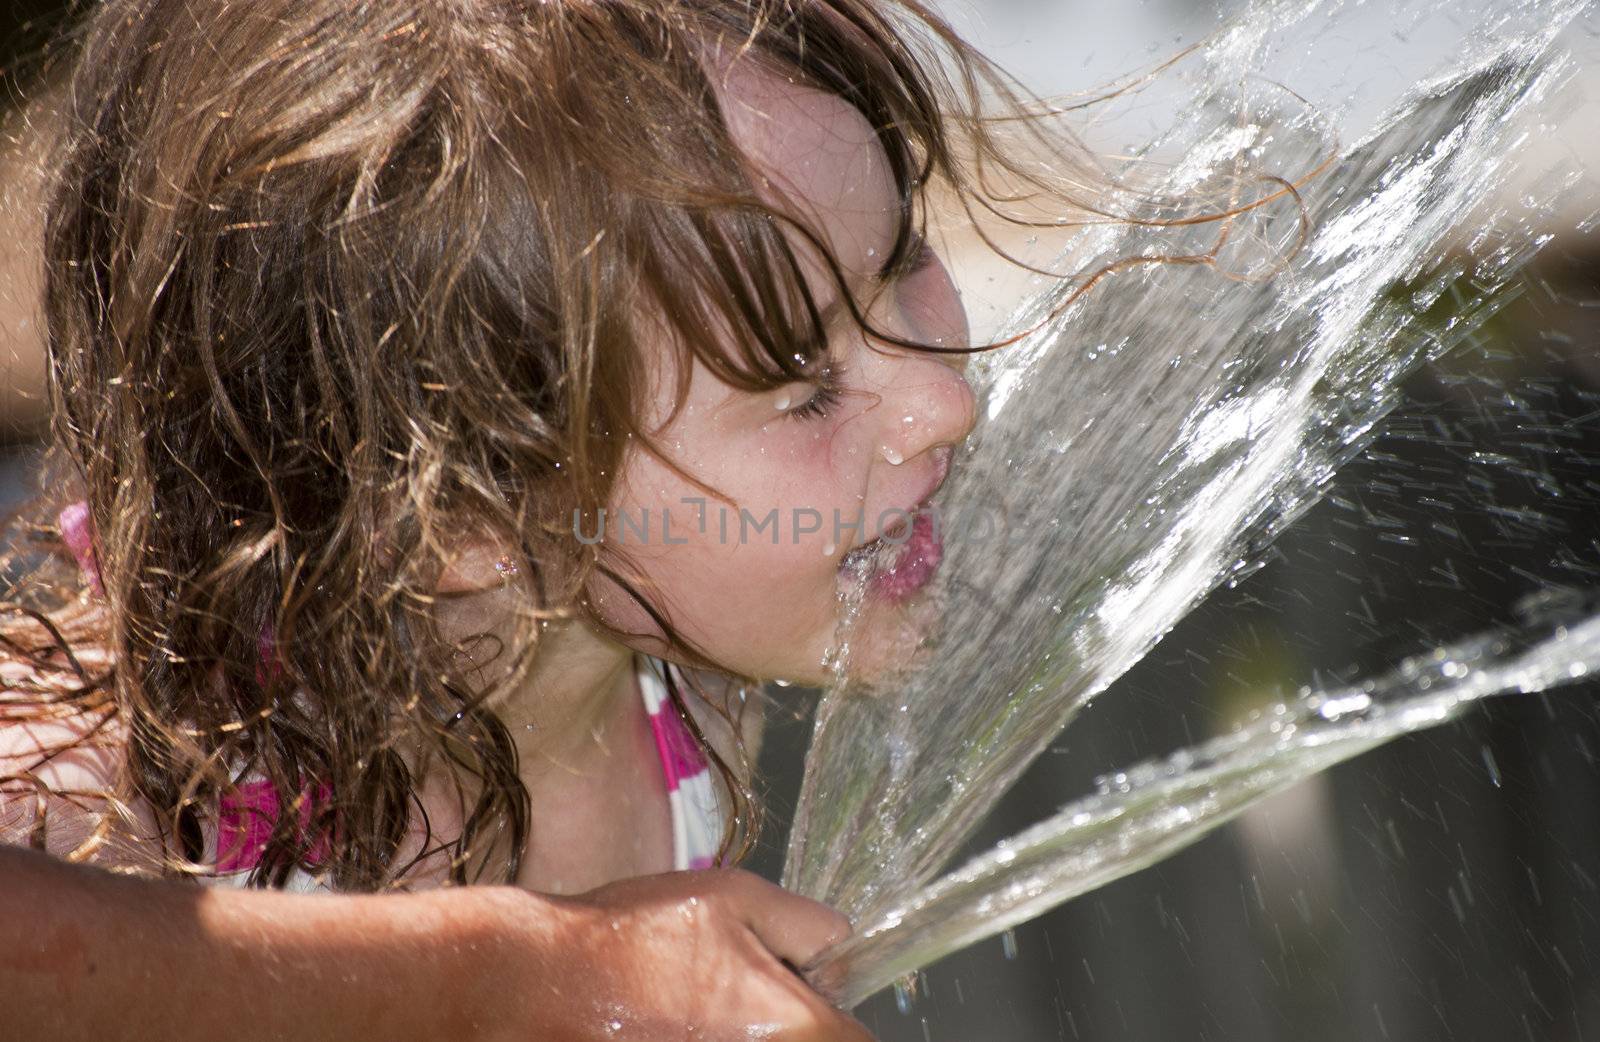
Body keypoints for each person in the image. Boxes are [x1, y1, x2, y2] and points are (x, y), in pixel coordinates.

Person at [0, 0, 1140, 1037]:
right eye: (801, 386)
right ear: (460, 516)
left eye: (902, 259)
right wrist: (507, 974)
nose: (945, 403)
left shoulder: (684, 689)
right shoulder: (102, 807)